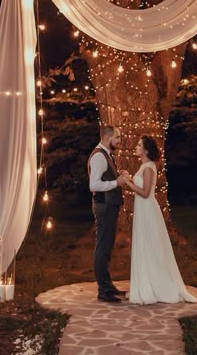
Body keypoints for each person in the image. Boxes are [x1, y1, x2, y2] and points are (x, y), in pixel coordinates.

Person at [123, 135, 197, 305]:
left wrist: (128, 183)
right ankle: (144, 283)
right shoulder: (144, 166)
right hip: (142, 211)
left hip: (148, 211)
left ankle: (158, 285)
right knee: (145, 246)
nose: (136, 147)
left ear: (146, 150)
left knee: (152, 246)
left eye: (139, 145)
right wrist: (129, 177)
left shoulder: (149, 167)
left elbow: (145, 193)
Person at [88, 124, 127, 302]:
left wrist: (118, 176)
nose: (119, 141)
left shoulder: (106, 155)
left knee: (107, 246)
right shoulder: (98, 157)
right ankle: (103, 290)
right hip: (104, 207)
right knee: (102, 247)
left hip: (109, 206)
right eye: (117, 138)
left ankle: (108, 286)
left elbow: (107, 177)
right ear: (107, 138)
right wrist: (116, 183)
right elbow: (94, 185)